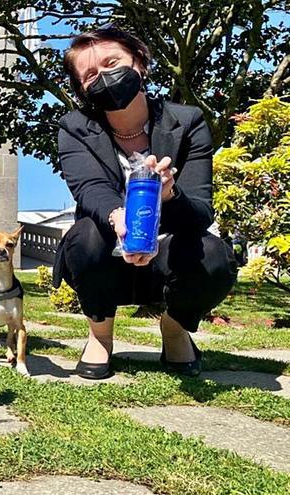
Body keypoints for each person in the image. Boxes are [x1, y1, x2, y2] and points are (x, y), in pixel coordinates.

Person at [53, 25, 238, 379]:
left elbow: (201, 210)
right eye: (90, 74)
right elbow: (89, 188)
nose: (105, 77)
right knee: (84, 235)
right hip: (106, 257)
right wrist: (117, 216)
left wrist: (170, 195)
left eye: (112, 63)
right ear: (81, 89)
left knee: (215, 255)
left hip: (170, 259)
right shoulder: (74, 127)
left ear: (139, 62)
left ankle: (175, 328)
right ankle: (100, 335)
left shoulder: (187, 122)